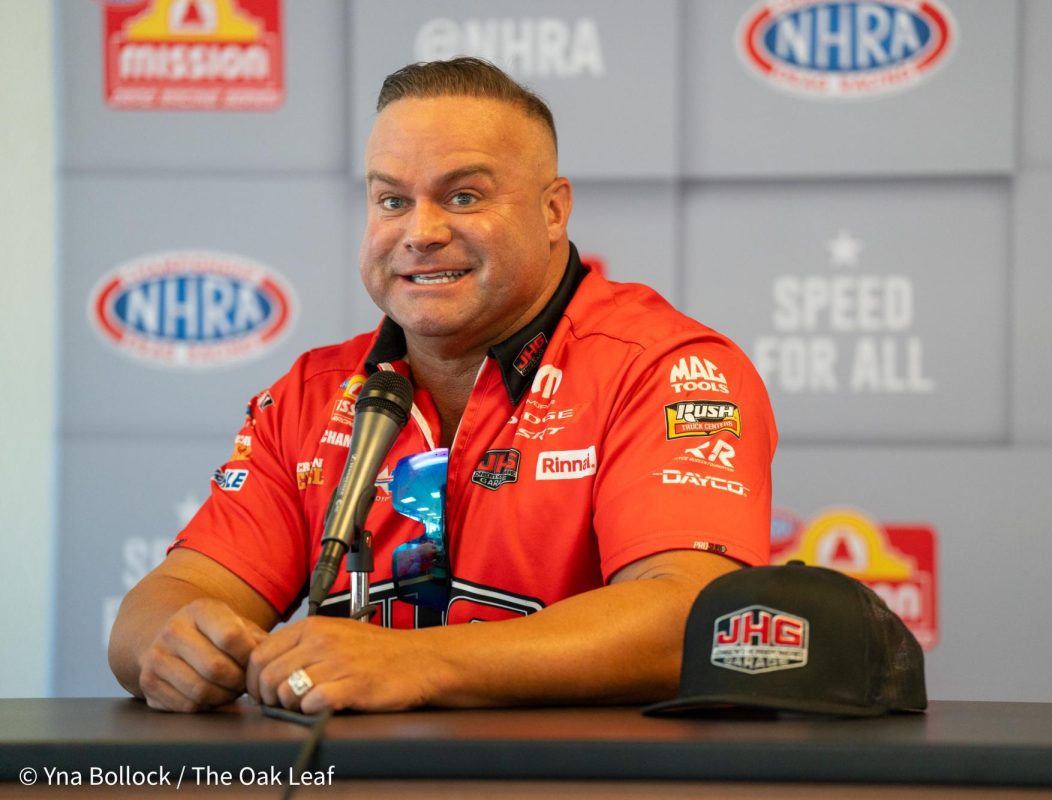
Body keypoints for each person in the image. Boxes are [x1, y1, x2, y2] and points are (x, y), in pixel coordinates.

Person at [108, 58, 777, 714]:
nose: (420, 233)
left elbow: (691, 618)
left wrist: (418, 662)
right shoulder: (315, 392)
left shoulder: (663, 368)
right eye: (392, 200)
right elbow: (164, 603)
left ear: (552, 210)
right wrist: (174, 646)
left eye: (464, 196)